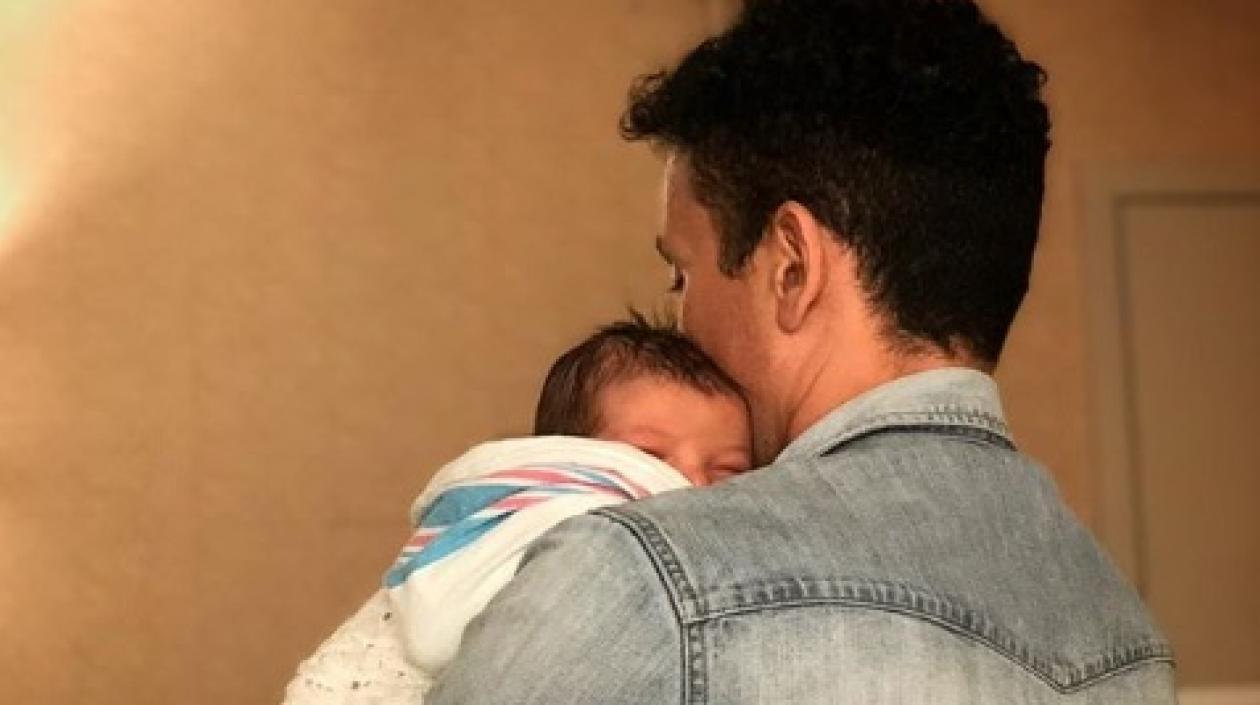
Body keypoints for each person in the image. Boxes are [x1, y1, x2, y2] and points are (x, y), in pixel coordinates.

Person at [426, 1, 1176, 703]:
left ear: (791, 266)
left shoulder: (644, 579)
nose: (679, 322)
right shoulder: (1127, 637)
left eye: (683, 273)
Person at [280, 316, 752, 704]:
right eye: (649, 457)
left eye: (727, 471)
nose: (689, 485)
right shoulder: (548, 520)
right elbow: (434, 631)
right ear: (569, 455)